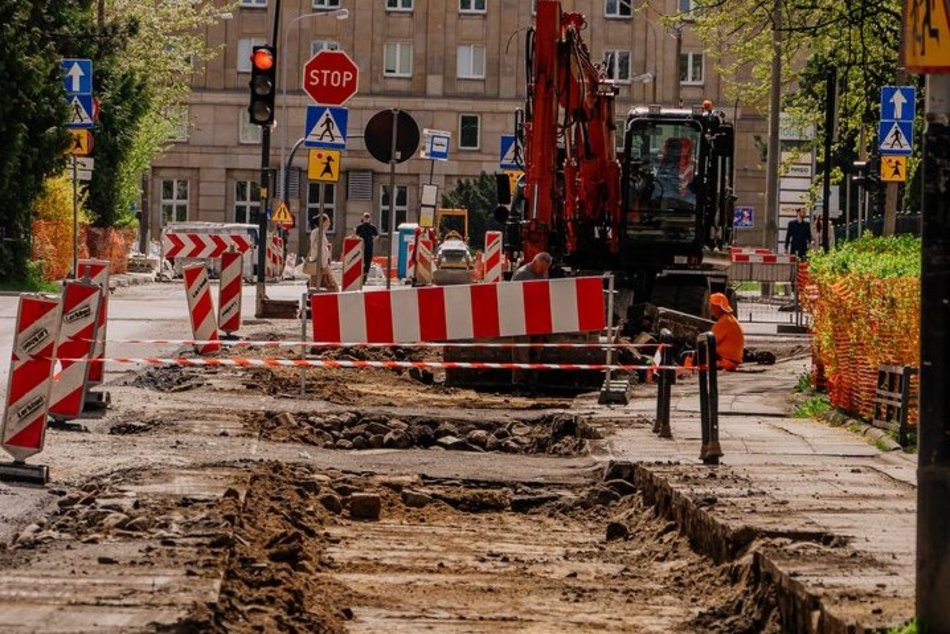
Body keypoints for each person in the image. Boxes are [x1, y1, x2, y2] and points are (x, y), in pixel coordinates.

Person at [708, 292, 745, 371]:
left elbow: (709, 343)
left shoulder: (723, 323)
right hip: (732, 361)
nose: (710, 310)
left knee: (691, 356)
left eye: (712, 307)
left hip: (725, 361)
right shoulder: (730, 319)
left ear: (718, 307)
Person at [307, 213, 338, 291]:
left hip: (320, 262)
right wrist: (325, 264)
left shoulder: (318, 232)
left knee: (320, 283)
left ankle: (315, 295)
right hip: (320, 263)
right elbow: (321, 249)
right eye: (328, 222)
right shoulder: (318, 232)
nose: (329, 224)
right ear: (323, 222)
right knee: (330, 285)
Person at [355, 212, 379, 281]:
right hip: (361, 246)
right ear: (363, 218)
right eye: (365, 217)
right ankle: (361, 273)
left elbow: (377, 235)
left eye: (367, 217)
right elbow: (356, 235)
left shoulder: (372, 227)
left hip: (369, 246)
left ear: (370, 218)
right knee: (361, 260)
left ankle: (365, 273)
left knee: (368, 260)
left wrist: (372, 240)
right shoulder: (359, 227)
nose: (366, 219)